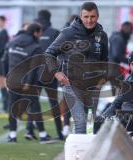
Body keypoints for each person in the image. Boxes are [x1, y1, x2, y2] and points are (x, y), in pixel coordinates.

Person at [45, 2, 108, 134]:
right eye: (86, 17)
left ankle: (84, 152)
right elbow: (49, 53)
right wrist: (57, 73)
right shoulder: (68, 33)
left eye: (92, 16)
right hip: (72, 85)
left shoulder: (102, 35)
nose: (89, 20)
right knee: (80, 123)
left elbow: (105, 61)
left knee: (90, 126)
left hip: (93, 87)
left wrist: (102, 79)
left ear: (98, 16)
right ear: (80, 16)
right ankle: (80, 154)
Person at [2, 23, 54, 143]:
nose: (41, 35)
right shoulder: (36, 46)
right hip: (27, 82)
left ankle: (12, 135)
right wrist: (28, 82)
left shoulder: (12, 42)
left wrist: (6, 77)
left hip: (13, 80)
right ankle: (43, 135)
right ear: (35, 32)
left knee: (12, 108)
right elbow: (33, 67)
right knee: (34, 107)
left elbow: (4, 60)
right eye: (40, 32)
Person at [25, 9, 64, 141]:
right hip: (50, 73)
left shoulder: (33, 31)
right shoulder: (55, 32)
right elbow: (61, 53)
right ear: (49, 17)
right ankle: (60, 133)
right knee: (54, 104)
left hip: (35, 73)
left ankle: (29, 130)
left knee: (33, 102)